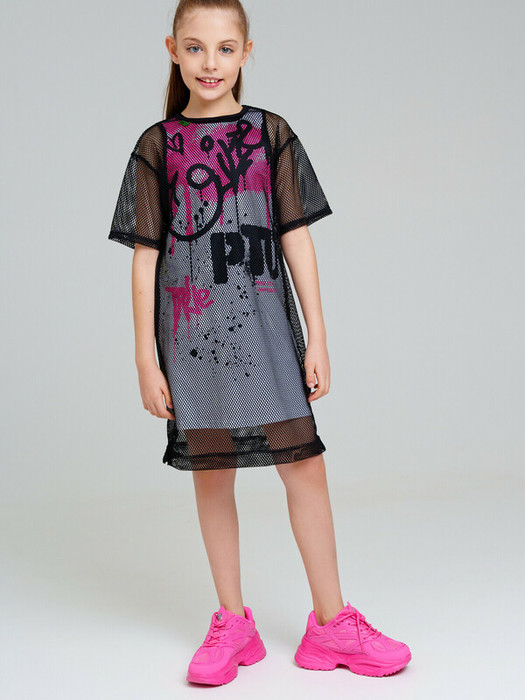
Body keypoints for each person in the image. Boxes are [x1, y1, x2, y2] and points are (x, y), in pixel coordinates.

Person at [108, 0, 411, 687]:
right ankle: (231, 621)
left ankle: (331, 624)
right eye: (194, 47)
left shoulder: (271, 134)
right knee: (211, 473)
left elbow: (296, 237)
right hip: (191, 339)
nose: (209, 63)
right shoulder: (158, 146)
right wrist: (144, 357)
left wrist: (318, 337)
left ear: (246, 52)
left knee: (304, 467)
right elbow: (145, 258)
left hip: (268, 330)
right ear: (172, 50)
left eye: (224, 48)